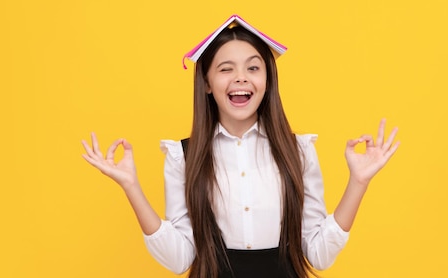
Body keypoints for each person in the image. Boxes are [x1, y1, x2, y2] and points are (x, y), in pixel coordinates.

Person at [81, 14, 399, 278]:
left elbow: (319, 254)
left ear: (267, 79)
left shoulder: (298, 152)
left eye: (253, 67)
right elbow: (179, 258)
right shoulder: (183, 156)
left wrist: (359, 182)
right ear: (206, 83)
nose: (241, 78)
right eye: (225, 69)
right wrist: (130, 185)